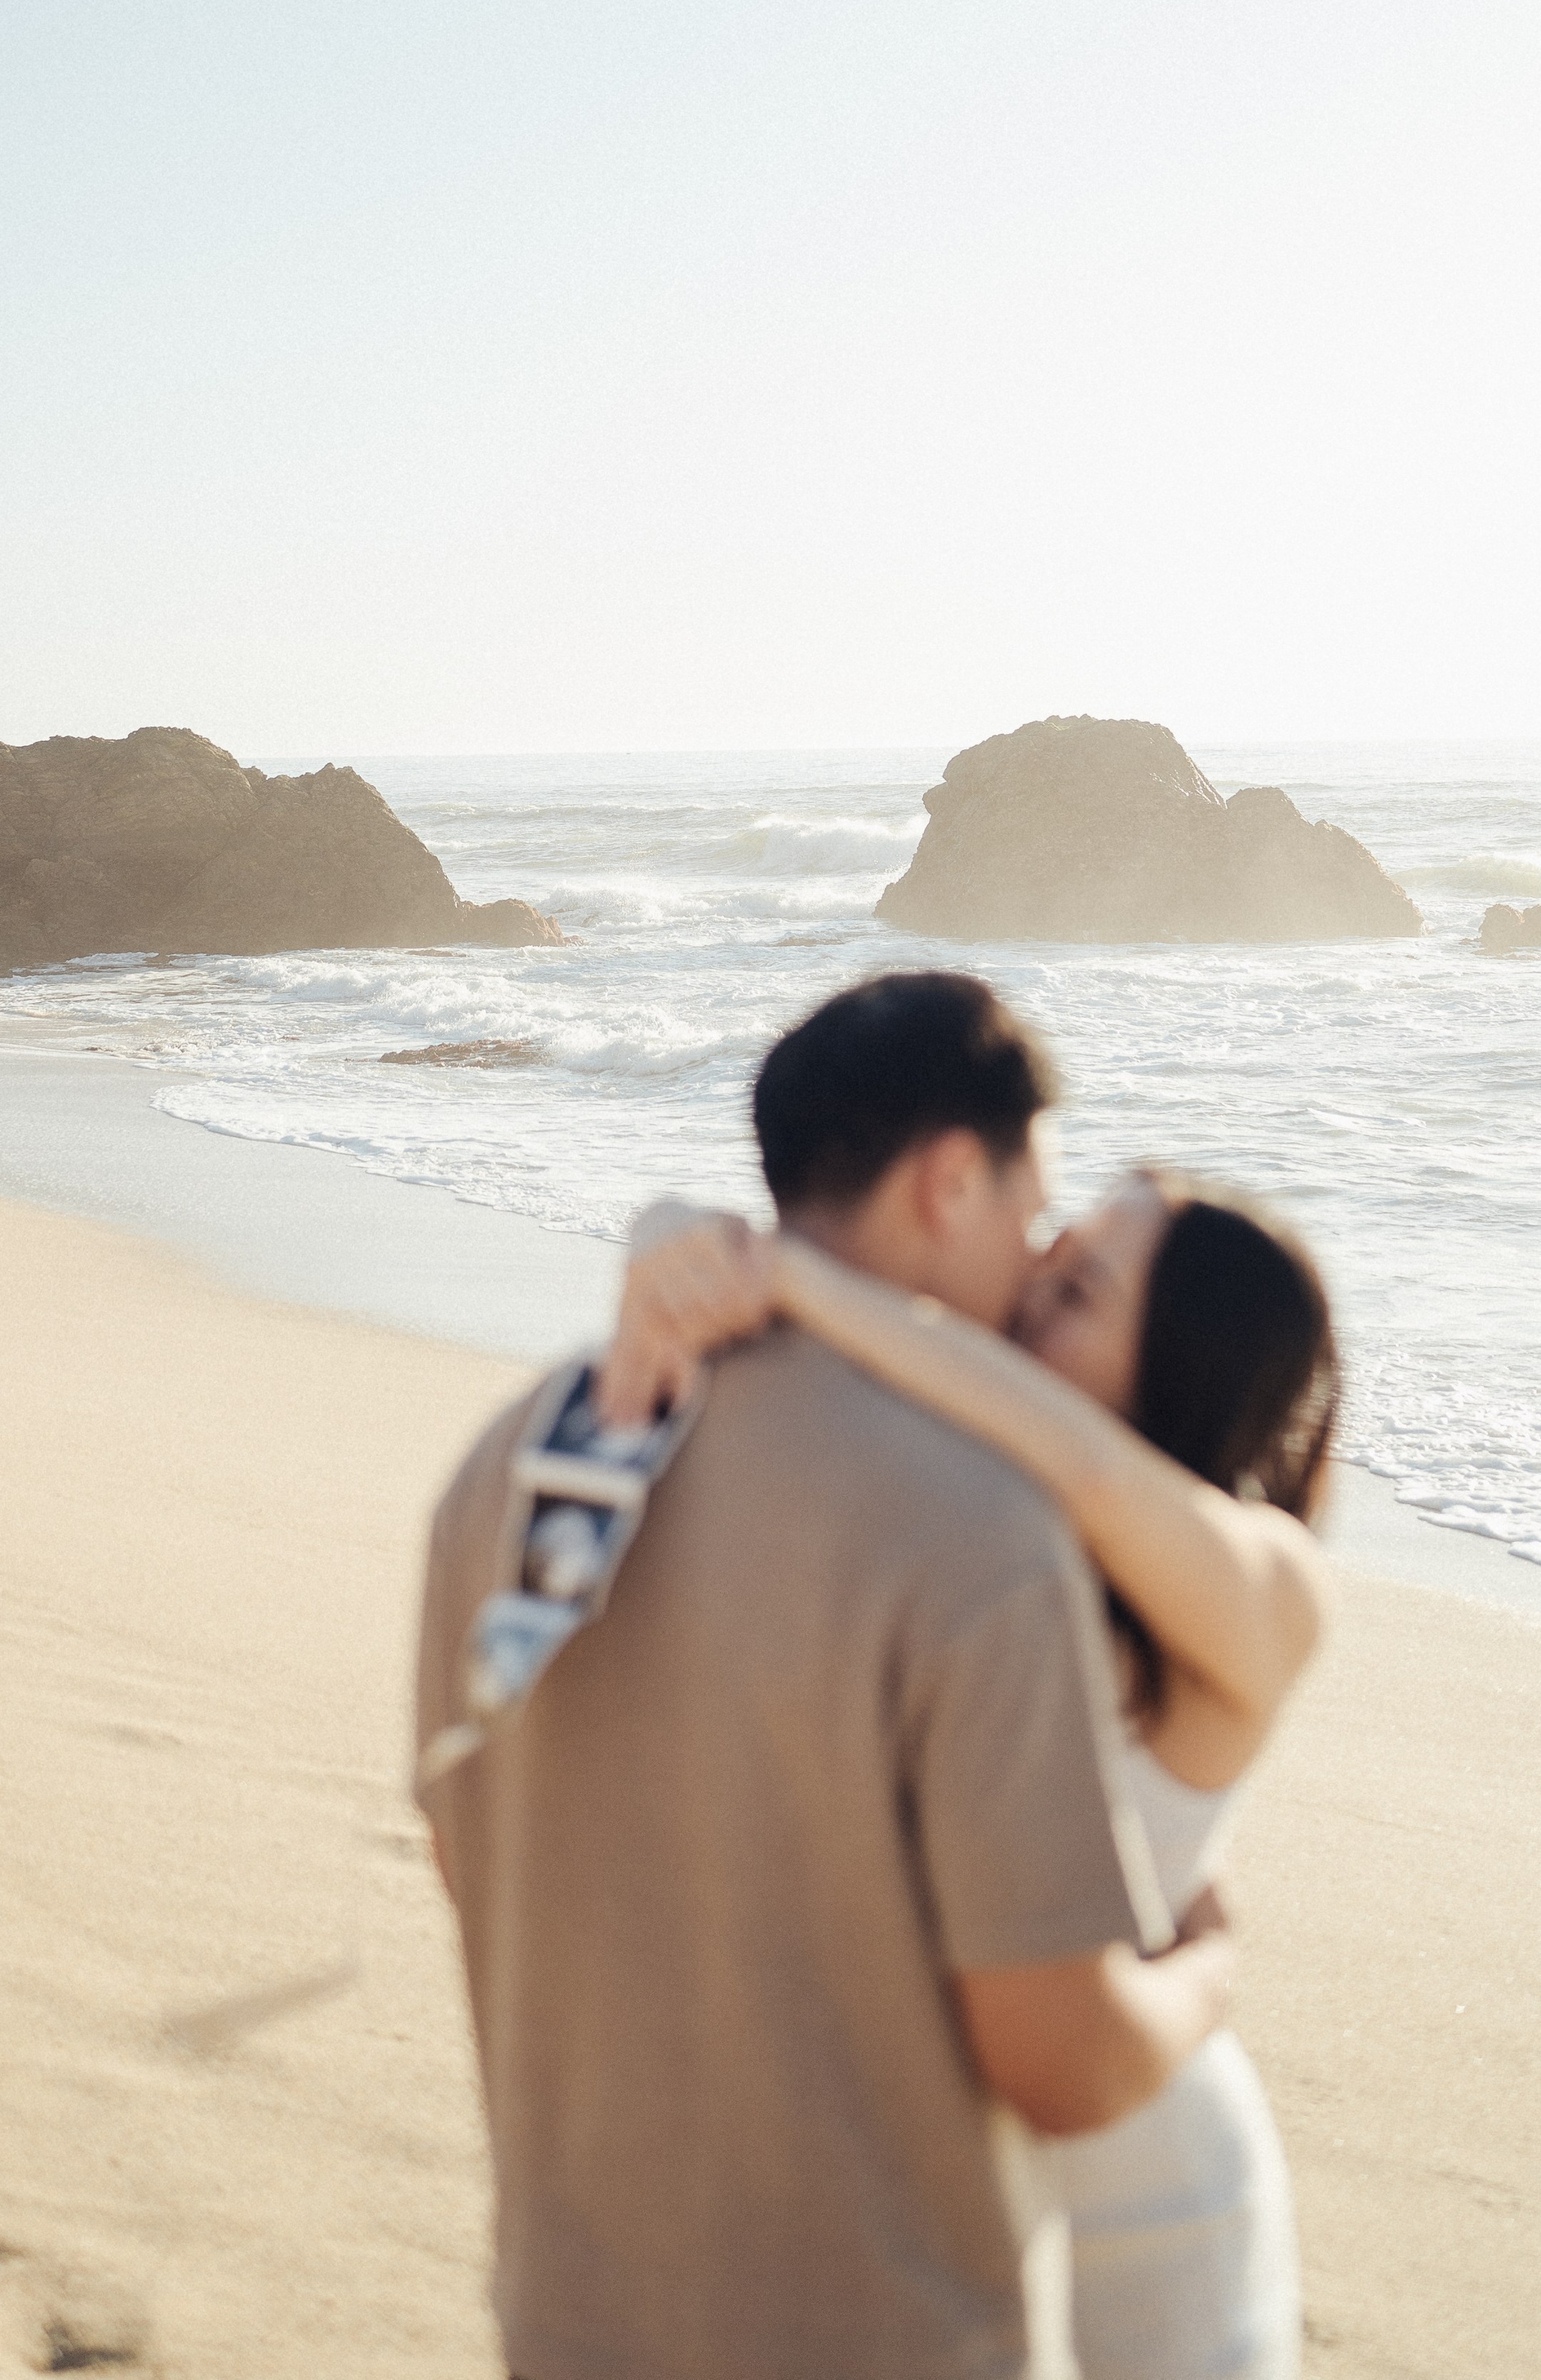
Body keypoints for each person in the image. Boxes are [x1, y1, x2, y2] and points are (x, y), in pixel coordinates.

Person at [415, 972, 1236, 2380]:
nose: (1037, 1265)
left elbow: (464, 1844)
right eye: (1032, 1217)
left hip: (568, 2317)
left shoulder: (509, 1464)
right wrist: (1214, 1968)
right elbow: (1063, 2061)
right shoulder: (979, 1528)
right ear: (948, 1180)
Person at [599, 1079, 1338, 2380]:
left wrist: (788, 1274)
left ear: (1178, 1365)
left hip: (1145, 2206)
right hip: (913, 2214)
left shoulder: (1264, 1586)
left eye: (1078, 1292)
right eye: (1048, 1259)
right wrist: (673, 1234)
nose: (1023, 1292)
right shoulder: (971, 1510)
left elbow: (1101, 1474)